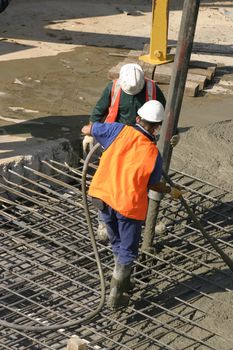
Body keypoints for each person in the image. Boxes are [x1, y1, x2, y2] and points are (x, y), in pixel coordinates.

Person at [82, 100, 182, 309]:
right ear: (157, 127)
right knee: (128, 250)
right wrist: (170, 190)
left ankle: (124, 280)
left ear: (137, 119)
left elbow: (88, 128)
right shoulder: (153, 153)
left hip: (101, 196)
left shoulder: (118, 130)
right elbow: (153, 184)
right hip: (127, 205)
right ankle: (116, 296)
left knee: (116, 239)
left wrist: (95, 134)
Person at [83, 63, 180, 240]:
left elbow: (164, 115)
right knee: (110, 181)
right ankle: (103, 222)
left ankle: (145, 220)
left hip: (142, 144)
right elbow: (98, 112)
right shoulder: (113, 88)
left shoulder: (152, 89)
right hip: (118, 140)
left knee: (140, 181)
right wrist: (92, 132)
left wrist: (174, 133)